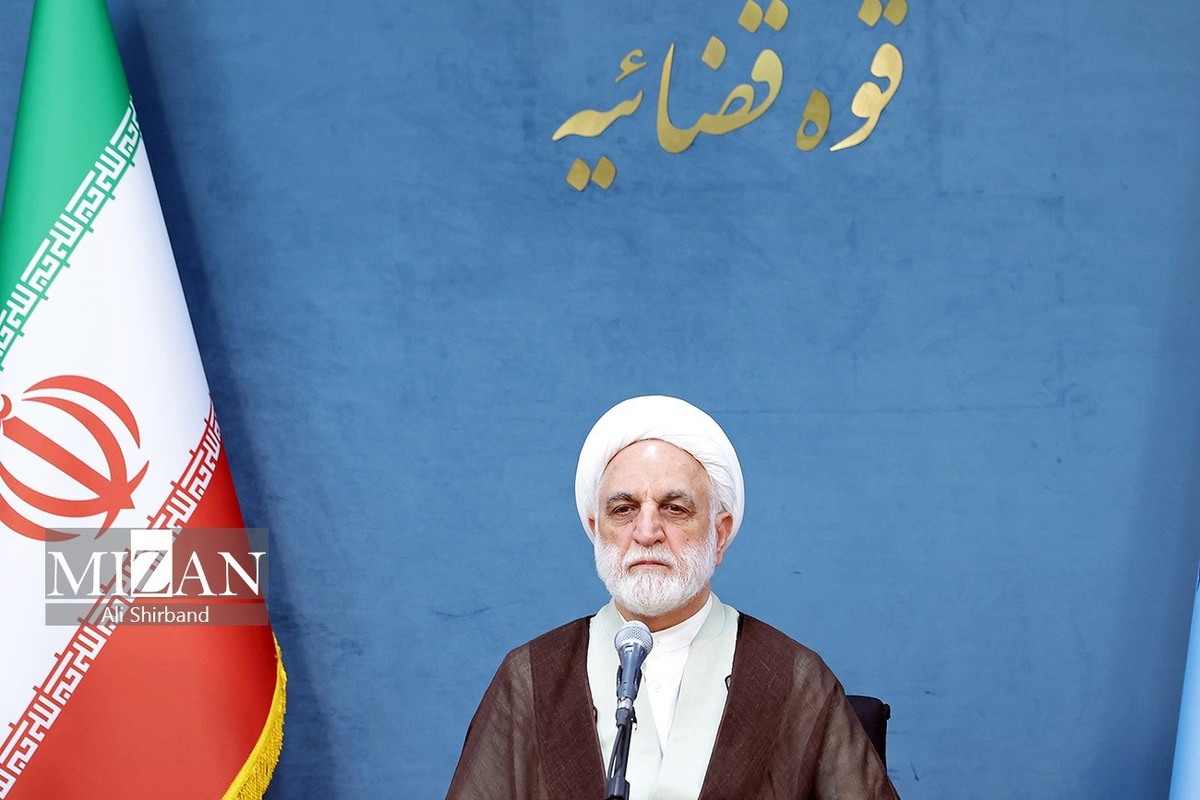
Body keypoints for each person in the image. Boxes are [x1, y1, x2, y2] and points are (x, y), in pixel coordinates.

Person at [449, 396, 900, 799]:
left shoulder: (790, 677)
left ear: (719, 535)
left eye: (675, 508)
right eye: (624, 509)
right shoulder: (533, 677)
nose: (647, 532)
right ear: (594, 529)